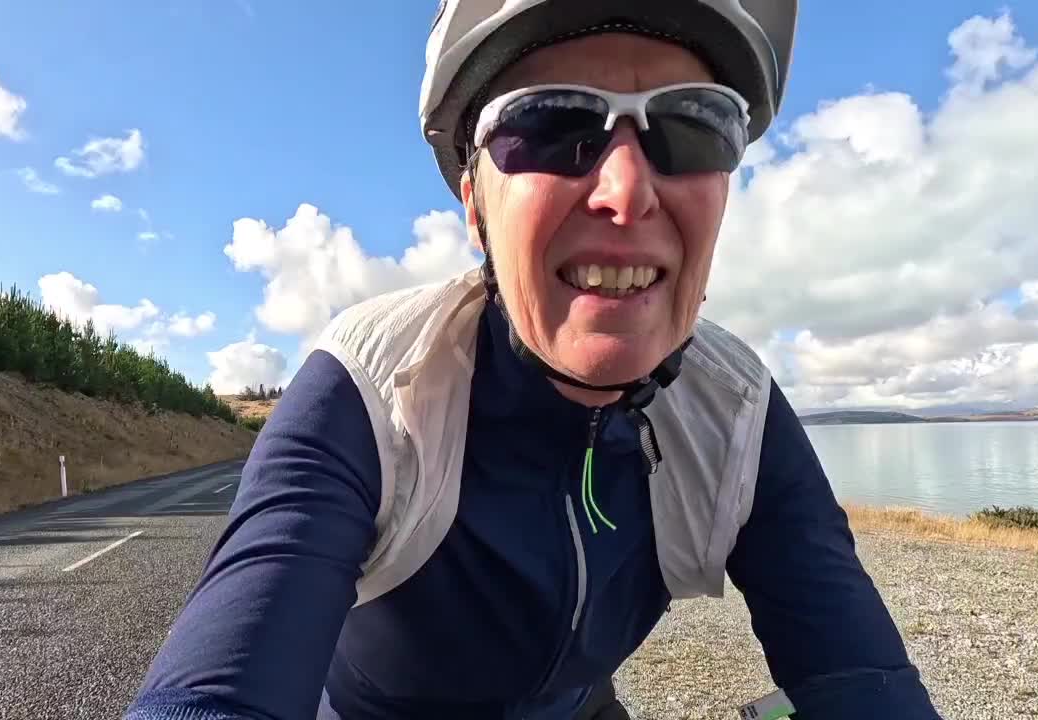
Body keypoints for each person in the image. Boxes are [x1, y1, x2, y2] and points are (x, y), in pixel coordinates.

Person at [125, 1, 944, 718]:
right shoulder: (371, 388)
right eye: (551, 123)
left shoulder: (735, 412)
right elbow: (215, 690)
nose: (627, 191)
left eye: (693, 124)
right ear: (475, 206)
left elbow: (859, 675)